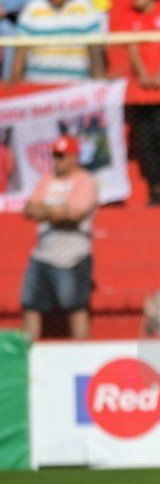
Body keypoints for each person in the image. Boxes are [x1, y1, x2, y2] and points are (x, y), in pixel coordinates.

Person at [20, 135, 98, 340]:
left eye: (62, 156)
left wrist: (45, 210)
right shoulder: (47, 180)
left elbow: (74, 215)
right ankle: (29, 356)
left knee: (75, 305)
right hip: (42, 253)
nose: (57, 161)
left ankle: (81, 355)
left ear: (74, 157)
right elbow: (28, 209)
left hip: (73, 254)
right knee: (31, 303)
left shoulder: (85, 181)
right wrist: (58, 211)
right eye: (55, 156)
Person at [112, 0, 160, 205]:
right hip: (140, 89)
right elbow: (132, 47)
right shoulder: (129, 16)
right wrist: (142, 73)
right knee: (144, 141)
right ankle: (155, 187)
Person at [12, 0, 104, 83]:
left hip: (76, 91)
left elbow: (96, 57)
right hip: (38, 90)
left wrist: (99, 86)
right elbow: (20, 56)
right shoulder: (32, 8)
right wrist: (16, 89)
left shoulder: (86, 8)